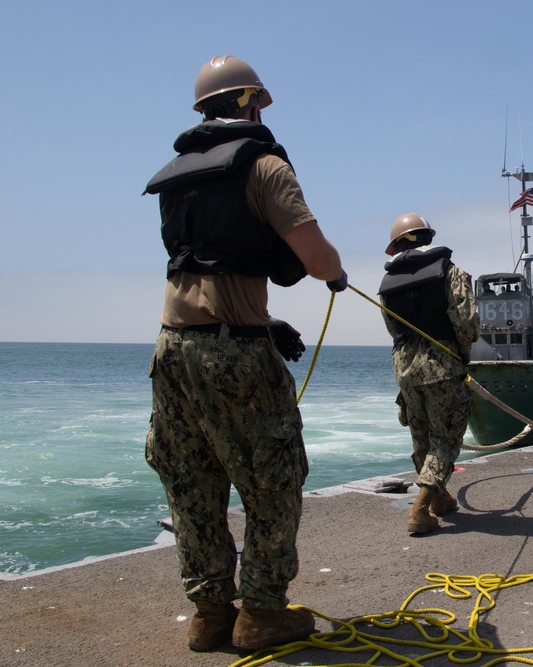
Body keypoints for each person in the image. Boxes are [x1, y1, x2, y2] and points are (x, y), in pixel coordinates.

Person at [143, 55, 347, 653]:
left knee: (191, 481)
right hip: (233, 354)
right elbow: (316, 259)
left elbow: (204, 266)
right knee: (275, 480)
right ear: (249, 104)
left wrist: (265, 319)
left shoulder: (178, 174)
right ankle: (260, 612)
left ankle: (209, 615)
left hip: (172, 350)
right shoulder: (264, 165)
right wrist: (335, 275)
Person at [378, 213, 480, 534]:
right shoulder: (452, 273)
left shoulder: (388, 286)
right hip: (443, 366)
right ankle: (420, 510)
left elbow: (393, 330)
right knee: (447, 438)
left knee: (422, 437)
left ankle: (440, 499)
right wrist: (461, 354)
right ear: (427, 238)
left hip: (406, 371)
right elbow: (467, 322)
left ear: (398, 245)